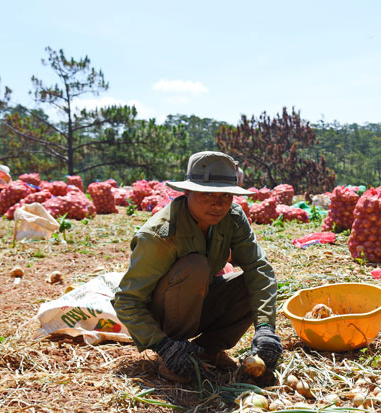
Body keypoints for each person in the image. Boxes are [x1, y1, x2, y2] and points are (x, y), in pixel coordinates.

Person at [112, 151, 282, 383]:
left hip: (199, 302)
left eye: (226, 195)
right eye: (207, 194)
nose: (217, 203)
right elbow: (127, 300)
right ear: (187, 191)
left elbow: (258, 268)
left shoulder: (232, 218)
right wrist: (163, 345)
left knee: (250, 281)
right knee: (196, 265)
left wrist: (265, 328)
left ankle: (206, 351)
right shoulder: (160, 234)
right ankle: (175, 355)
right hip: (162, 316)